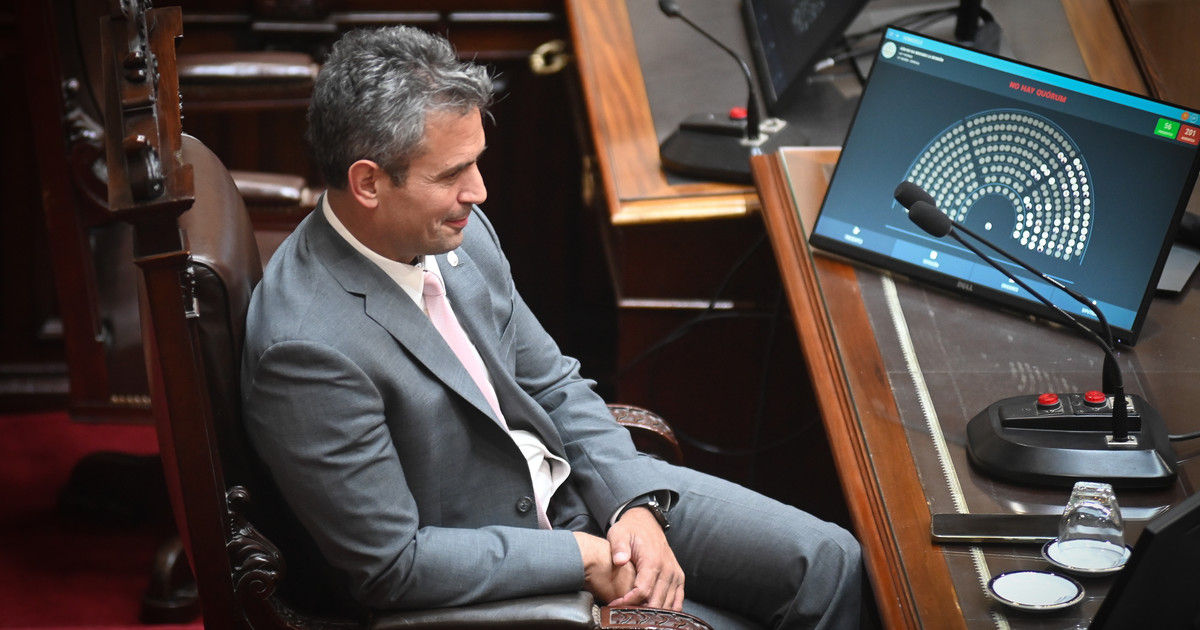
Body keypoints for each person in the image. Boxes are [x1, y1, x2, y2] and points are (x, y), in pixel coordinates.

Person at [241, 24, 863, 630]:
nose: (479, 192)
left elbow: (553, 382)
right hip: (495, 576)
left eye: (476, 163)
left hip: (579, 493)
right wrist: (583, 557)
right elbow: (392, 566)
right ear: (368, 182)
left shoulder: (450, 230)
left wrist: (631, 502)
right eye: (451, 174)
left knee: (830, 564)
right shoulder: (305, 349)